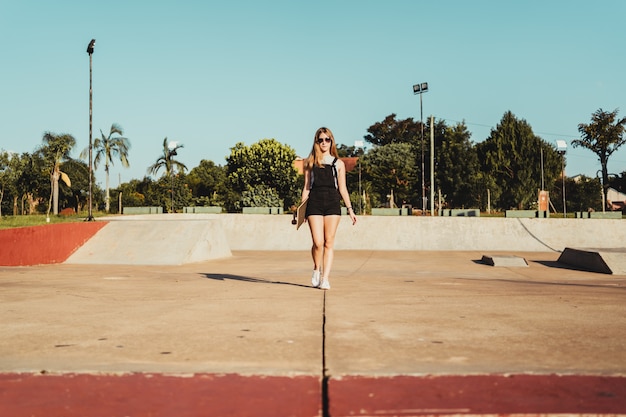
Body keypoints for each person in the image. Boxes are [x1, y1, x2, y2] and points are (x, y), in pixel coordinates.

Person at [301, 127, 357, 290]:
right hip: (314, 203)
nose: (324, 142)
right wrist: (302, 210)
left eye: (327, 139)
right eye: (321, 140)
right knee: (317, 243)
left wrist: (350, 209)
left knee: (329, 242)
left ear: (331, 141)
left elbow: (343, 188)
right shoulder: (309, 163)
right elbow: (306, 188)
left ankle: (325, 279)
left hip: (332, 203)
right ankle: (316, 268)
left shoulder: (338, 164)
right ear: (316, 142)